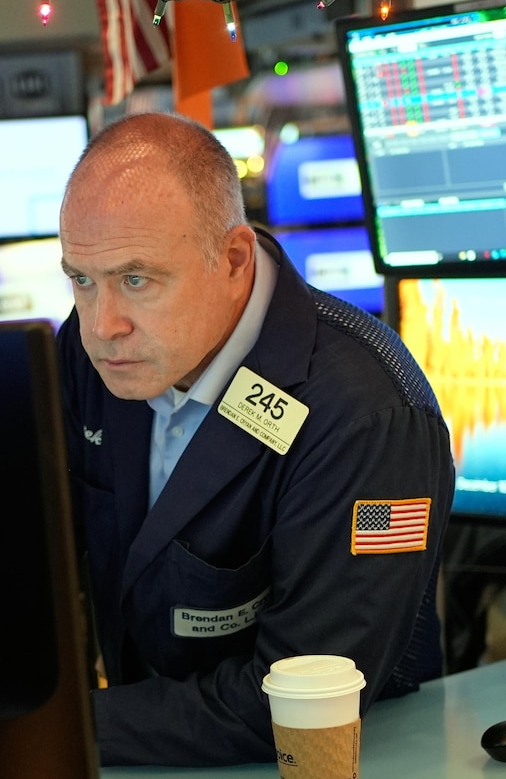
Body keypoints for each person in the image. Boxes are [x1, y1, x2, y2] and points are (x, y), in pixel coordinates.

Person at [56, 112, 455, 766]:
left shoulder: (366, 413)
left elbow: (303, 699)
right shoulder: (95, 351)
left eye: (136, 280)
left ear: (234, 259)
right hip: (142, 747)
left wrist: (57, 723)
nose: (102, 325)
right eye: (81, 279)